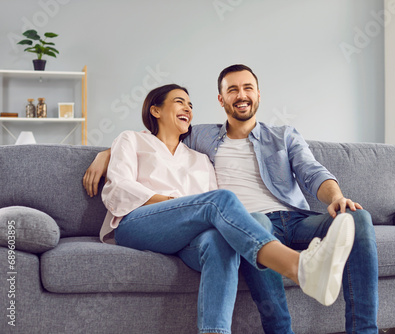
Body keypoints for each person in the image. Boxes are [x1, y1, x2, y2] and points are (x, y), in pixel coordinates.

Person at [84, 65, 379, 334]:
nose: (187, 107)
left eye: (190, 104)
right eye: (179, 102)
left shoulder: (202, 156)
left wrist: (337, 197)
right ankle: (297, 267)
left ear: (258, 94)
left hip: (229, 227)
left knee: (220, 241)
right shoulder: (141, 140)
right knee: (223, 203)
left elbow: (312, 172)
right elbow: (121, 188)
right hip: (144, 222)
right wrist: (105, 154)